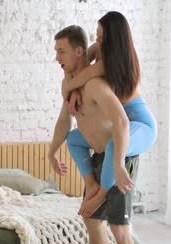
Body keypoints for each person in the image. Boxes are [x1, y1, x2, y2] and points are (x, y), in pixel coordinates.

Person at [49, 24, 139, 244]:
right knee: (92, 222)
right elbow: (65, 121)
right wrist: (51, 151)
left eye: (61, 51)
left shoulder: (96, 84)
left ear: (78, 52)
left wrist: (118, 163)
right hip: (99, 154)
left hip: (119, 157)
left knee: (120, 229)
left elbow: (122, 123)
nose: (56, 58)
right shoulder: (72, 85)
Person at [61, 11, 157, 218]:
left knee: (115, 144)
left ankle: (100, 195)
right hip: (122, 124)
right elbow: (77, 70)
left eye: (102, 37)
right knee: (74, 139)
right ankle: (91, 183)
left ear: (115, 40)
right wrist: (76, 90)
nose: (97, 41)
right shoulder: (100, 50)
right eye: (97, 35)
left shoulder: (109, 64)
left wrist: (73, 88)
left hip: (141, 126)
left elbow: (75, 80)